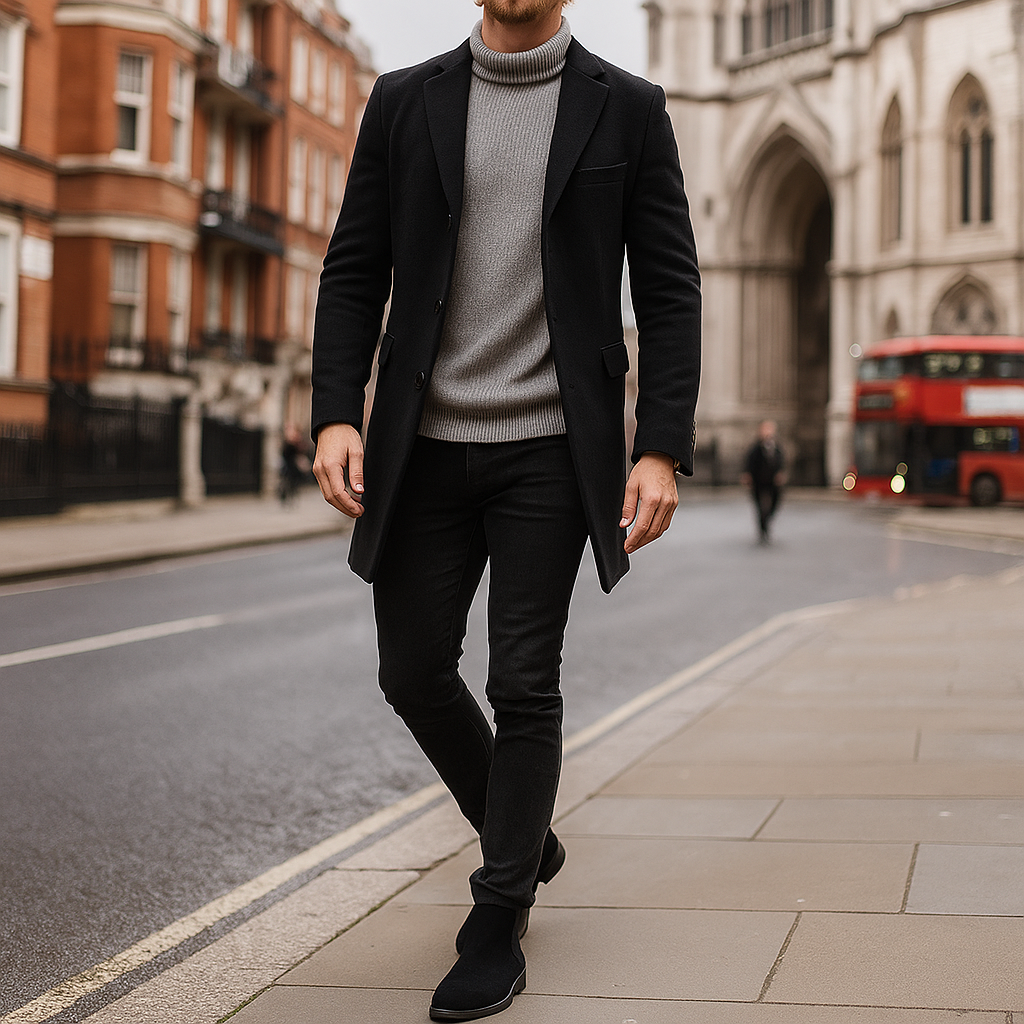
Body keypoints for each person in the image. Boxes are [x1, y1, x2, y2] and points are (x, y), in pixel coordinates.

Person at [310, 0, 701, 1018]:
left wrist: (658, 444)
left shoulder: (630, 109)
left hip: (546, 450)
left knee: (524, 680)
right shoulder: (402, 102)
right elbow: (354, 272)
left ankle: (497, 910)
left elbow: (668, 289)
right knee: (412, 670)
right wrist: (331, 415)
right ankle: (520, 827)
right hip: (422, 448)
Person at [741, 420, 785, 543]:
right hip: (758, 480)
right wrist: (747, 475)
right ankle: (762, 528)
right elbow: (749, 462)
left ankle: (766, 520)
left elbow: (781, 461)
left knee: (775, 501)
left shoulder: (777, 447)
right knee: (759, 505)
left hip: (772, 481)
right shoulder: (755, 448)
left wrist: (780, 473)